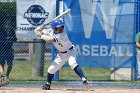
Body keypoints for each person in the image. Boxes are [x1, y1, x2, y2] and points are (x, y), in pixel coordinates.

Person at [34, 19, 89, 90]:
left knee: (72, 63)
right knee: (51, 69)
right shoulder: (50, 30)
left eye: (61, 27)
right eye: (58, 27)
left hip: (70, 51)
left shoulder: (63, 34)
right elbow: (43, 31)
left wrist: (40, 34)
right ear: (54, 28)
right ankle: (48, 84)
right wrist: (39, 29)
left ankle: (84, 78)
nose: (60, 29)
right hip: (61, 54)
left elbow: (49, 40)